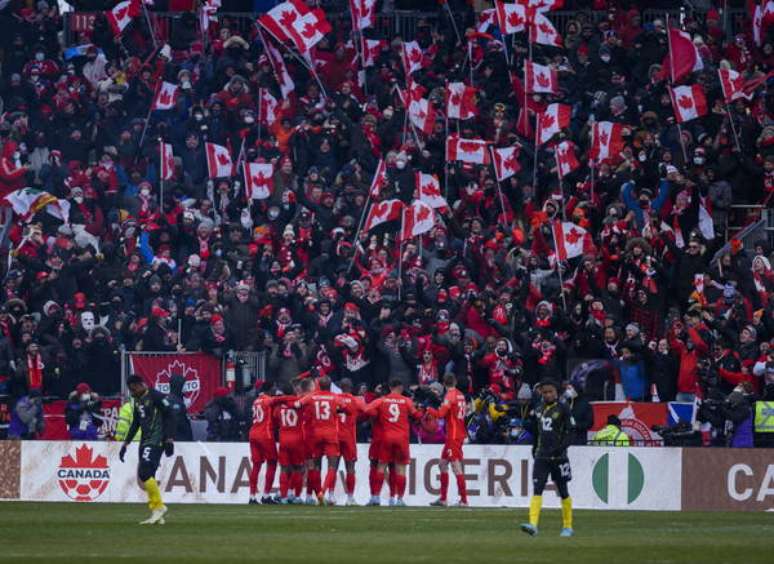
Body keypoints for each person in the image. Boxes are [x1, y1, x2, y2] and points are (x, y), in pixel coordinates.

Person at [118, 375, 176, 525]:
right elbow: (135, 423)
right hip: (145, 441)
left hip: (156, 440)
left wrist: (169, 438)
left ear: (141, 385)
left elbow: (170, 414)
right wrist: (126, 444)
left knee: (145, 472)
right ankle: (157, 512)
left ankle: (159, 507)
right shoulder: (138, 400)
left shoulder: (156, 396)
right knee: (147, 475)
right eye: (130, 389)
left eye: (134, 388)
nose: (132, 392)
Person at [521, 380, 574, 538]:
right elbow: (537, 431)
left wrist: (562, 448)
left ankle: (568, 526)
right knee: (537, 489)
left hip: (559, 457)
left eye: (550, 392)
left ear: (556, 392)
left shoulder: (563, 408)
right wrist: (533, 447)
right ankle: (533, 525)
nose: (548, 395)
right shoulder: (538, 408)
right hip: (541, 456)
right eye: (545, 392)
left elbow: (571, 432)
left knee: (563, 491)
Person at [364, 378, 423, 506]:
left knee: (381, 466)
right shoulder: (407, 401)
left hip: (387, 437)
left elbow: (367, 409)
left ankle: (376, 497)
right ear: (401, 388)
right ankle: (399, 499)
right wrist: (420, 411)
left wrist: (377, 414)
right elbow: (417, 416)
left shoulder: (382, 400)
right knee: (400, 468)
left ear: (390, 387)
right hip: (402, 438)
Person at [296, 375, 342, 505]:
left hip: (315, 435)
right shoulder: (335, 397)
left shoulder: (312, 397)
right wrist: (338, 411)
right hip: (331, 434)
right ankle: (322, 492)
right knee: (332, 465)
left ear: (319, 385)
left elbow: (297, 404)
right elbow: (344, 408)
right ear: (330, 386)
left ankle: (315, 494)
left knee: (315, 466)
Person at [428, 373, 469, 507]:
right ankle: (443, 499)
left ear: (444, 384)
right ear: (455, 382)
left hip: (453, 435)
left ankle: (464, 500)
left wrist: (429, 409)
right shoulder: (461, 395)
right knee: (442, 464)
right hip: (458, 433)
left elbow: (440, 414)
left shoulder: (449, 396)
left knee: (456, 467)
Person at [247, 382, 282, 504]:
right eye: (274, 388)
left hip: (253, 433)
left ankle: (252, 496)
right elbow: (278, 404)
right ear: (269, 389)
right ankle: (266, 495)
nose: (275, 390)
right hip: (265, 434)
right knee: (272, 463)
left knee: (256, 465)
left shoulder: (256, 401)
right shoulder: (268, 400)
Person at [275, 381, 305, 504]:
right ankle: (296, 496)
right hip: (297, 439)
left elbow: (276, 419)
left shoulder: (280, 406)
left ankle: (283, 497)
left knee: (284, 469)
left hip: (283, 440)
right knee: (298, 468)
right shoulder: (299, 403)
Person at [336, 378, 365, 506]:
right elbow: (366, 411)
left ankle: (330, 495)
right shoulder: (356, 400)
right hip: (349, 438)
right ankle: (350, 498)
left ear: (340, 387)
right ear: (351, 387)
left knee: (333, 467)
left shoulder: (334, 398)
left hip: (335, 436)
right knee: (350, 468)